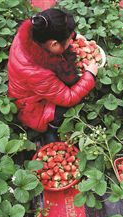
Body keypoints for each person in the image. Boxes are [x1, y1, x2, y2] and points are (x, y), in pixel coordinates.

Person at [8, 8, 98, 141]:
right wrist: (90, 76)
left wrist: (73, 36)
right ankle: (51, 128)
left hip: (33, 89)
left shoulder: (32, 33)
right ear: (54, 43)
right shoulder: (37, 73)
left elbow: (55, 28)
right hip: (33, 108)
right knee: (71, 99)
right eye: (67, 40)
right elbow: (68, 98)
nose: (70, 42)